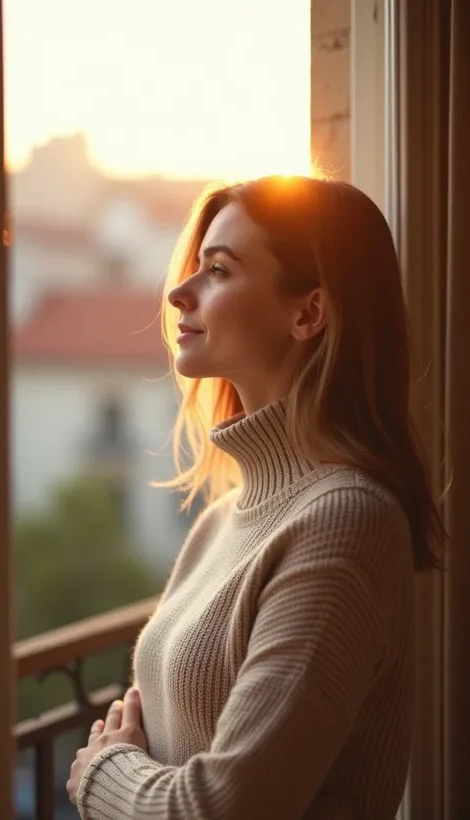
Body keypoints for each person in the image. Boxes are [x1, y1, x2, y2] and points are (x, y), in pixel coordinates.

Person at [67, 175, 445, 819]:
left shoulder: (346, 520)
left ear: (307, 314)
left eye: (217, 270)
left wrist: (101, 773)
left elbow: (224, 808)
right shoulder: (222, 519)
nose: (179, 292)